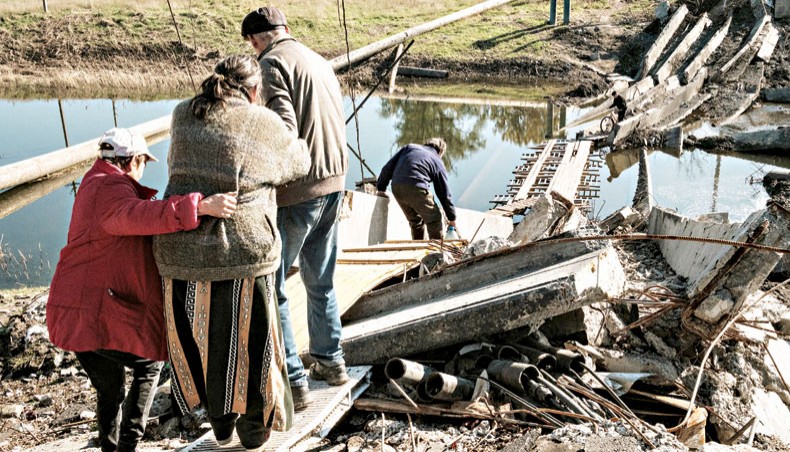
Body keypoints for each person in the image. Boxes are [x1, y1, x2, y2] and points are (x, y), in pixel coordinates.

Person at [153, 54, 309, 451]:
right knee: (253, 345)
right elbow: (297, 163)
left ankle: (220, 429)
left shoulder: (180, 114)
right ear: (255, 89)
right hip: (241, 252)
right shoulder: (261, 121)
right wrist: (286, 124)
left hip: (180, 251)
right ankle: (254, 434)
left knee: (205, 344)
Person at [46, 127, 237, 452]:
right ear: (133, 160)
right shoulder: (109, 189)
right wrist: (200, 206)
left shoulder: (95, 182)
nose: (145, 168)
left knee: (111, 388)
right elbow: (139, 215)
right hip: (89, 313)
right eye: (144, 162)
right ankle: (128, 445)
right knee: (149, 363)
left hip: (75, 310)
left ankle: (112, 447)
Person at [241, 6, 349, 411]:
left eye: (252, 43)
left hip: (298, 190)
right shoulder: (318, 60)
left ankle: (295, 381)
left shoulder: (270, 64)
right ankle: (332, 362)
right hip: (335, 181)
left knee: (273, 285)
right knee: (320, 280)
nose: (253, 51)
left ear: (258, 38)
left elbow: (284, 129)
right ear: (286, 28)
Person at [376, 138, 457, 240]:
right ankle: (437, 253)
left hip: (397, 187)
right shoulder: (437, 160)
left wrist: (381, 188)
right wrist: (451, 217)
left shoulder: (409, 148)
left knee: (416, 222)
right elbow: (443, 193)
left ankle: (418, 248)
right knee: (434, 219)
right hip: (417, 187)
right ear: (441, 152)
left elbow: (388, 168)